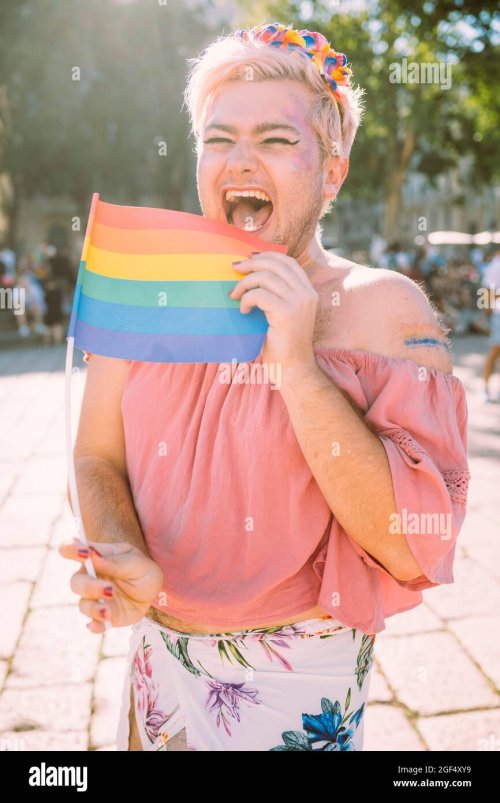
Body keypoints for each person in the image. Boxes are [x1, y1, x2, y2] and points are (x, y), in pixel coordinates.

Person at [60, 22, 470, 752]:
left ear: (333, 170)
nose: (240, 159)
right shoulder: (141, 284)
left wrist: (297, 367)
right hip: (158, 662)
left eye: (277, 140)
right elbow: (95, 458)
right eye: (219, 140)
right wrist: (124, 554)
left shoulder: (386, 308)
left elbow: (416, 549)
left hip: (298, 678)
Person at [482, 251, 500, 402]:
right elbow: (489, 291)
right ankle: (486, 389)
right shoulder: (495, 266)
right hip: (498, 313)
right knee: (495, 351)